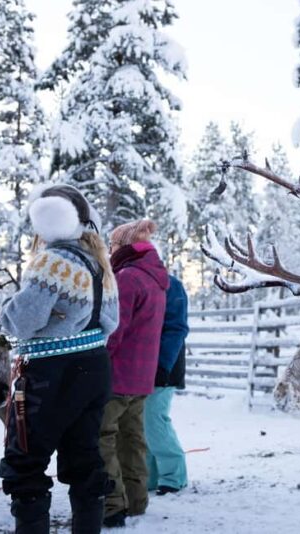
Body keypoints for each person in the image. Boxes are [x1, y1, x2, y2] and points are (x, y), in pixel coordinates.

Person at [0, 184, 120, 534]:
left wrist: (6, 310)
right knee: (84, 460)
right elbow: (111, 321)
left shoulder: (52, 262)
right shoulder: (99, 263)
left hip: (48, 375)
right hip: (95, 368)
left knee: (26, 464)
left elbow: (22, 321)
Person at [100, 220, 169, 528]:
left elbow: (115, 330)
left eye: (113, 245)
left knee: (104, 438)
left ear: (125, 246)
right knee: (132, 439)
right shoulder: (154, 278)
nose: (110, 250)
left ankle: (112, 506)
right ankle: (136, 500)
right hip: (141, 377)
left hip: (117, 376)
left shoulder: (127, 277)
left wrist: (98, 360)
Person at [144, 274, 189, 496]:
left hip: (164, 366)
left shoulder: (170, 285)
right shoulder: (130, 278)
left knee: (154, 418)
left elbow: (176, 328)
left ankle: (174, 475)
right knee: (141, 421)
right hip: (141, 365)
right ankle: (150, 476)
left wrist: (163, 365)